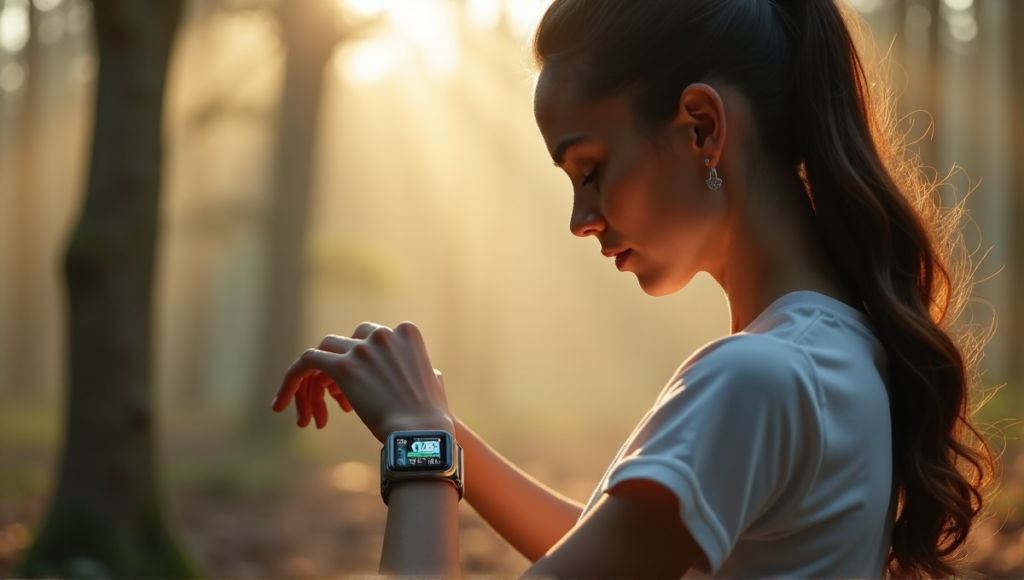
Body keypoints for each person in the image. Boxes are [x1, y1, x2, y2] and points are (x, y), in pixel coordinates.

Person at [271, 0, 995, 576]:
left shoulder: (754, 377)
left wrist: (417, 443)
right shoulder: (839, 350)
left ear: (703, 128)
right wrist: (443, 427)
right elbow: (613, 545)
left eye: (589, 168)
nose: (581, 220)